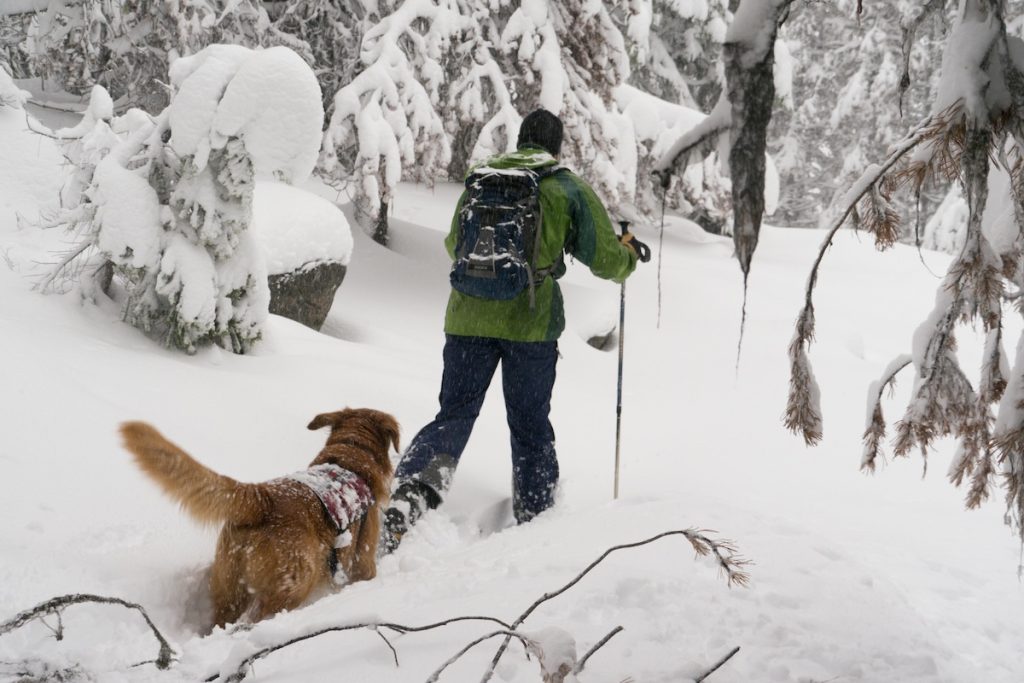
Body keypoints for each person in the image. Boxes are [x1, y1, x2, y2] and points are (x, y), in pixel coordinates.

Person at [381, 109, 649, 552]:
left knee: (454, 415)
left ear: (520, 139)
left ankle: (410, 499)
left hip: (466, 318)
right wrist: (629, 257)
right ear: (556, 146)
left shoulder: (482, 180)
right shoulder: (566, 187)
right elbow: (605, 261)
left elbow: (454, 244)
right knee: (529, 424)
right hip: (531, 324)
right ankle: (536, 519)